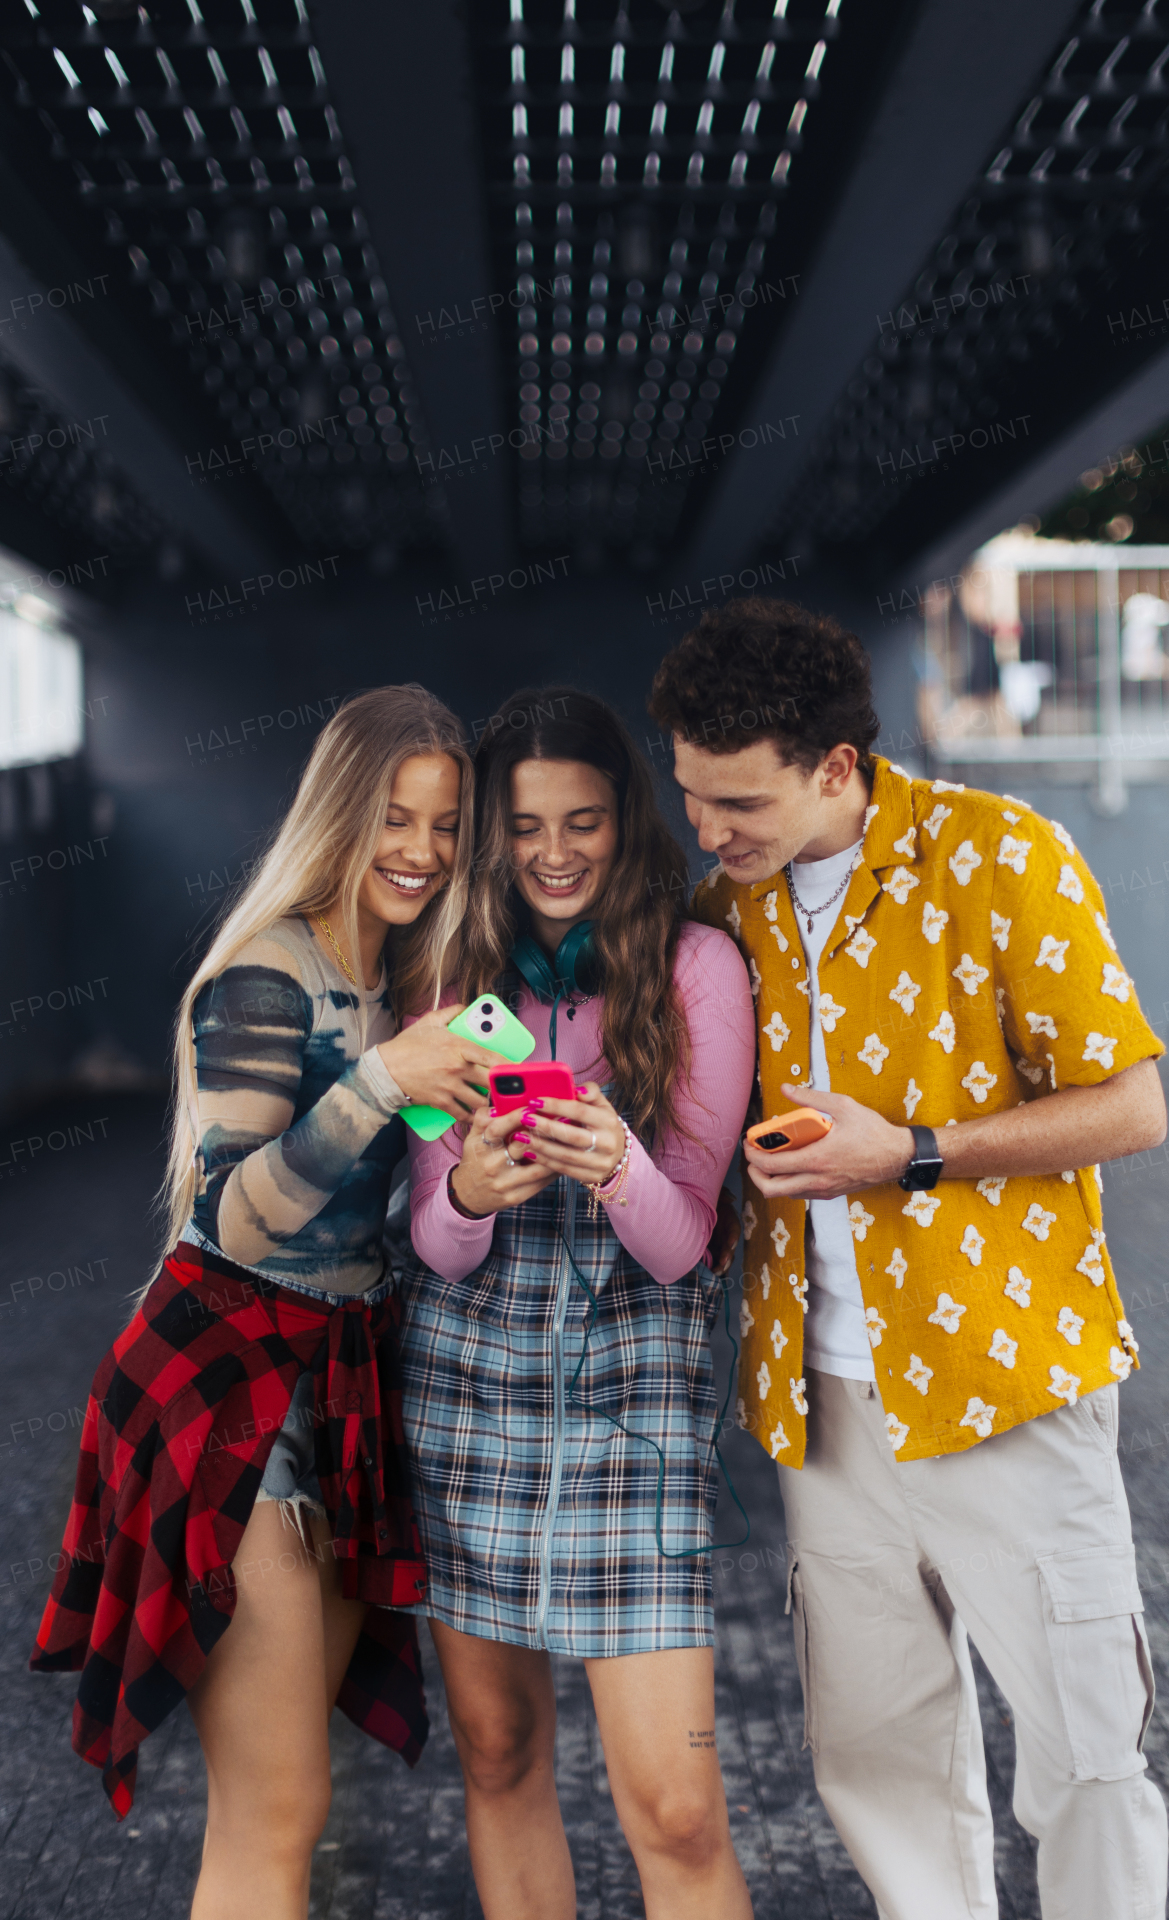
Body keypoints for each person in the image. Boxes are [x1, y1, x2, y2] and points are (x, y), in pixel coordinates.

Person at [650, 598, 1169, 1920]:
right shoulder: (725, 911)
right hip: (822, 1411)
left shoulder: (1002, 855)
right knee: (876, 1763)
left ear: (835, 766)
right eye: (691, 795)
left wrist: (913, 1152)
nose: (708, 830)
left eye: (739, 802)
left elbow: (1131, 1108)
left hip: (1009, 1389)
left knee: (1086, 1756)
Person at [31, 684, 511, 1920]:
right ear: (338, 816)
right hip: (226, 1383)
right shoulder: (264, 977)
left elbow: (382, 1214)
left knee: (302, 1802)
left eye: (444, 824)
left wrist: (472, 1166)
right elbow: (231, 1216)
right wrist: (378, 1082)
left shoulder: (398, 972)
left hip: (340, 1378)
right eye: (393, 819)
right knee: (275, 1811)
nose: (417, 851)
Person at [398, 688, 757, 1920]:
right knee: (497, 1760)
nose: (554, 852)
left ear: (627, 822)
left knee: (674, 1804)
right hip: (468, 1402)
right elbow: (434, 1249)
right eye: (525, 825)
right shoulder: (446, 974)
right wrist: (473, 1192)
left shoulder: (695, 966)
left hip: (632, 1411)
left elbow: (683, 1249)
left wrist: (615, 1163)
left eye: (585, 821)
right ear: (490, 836)